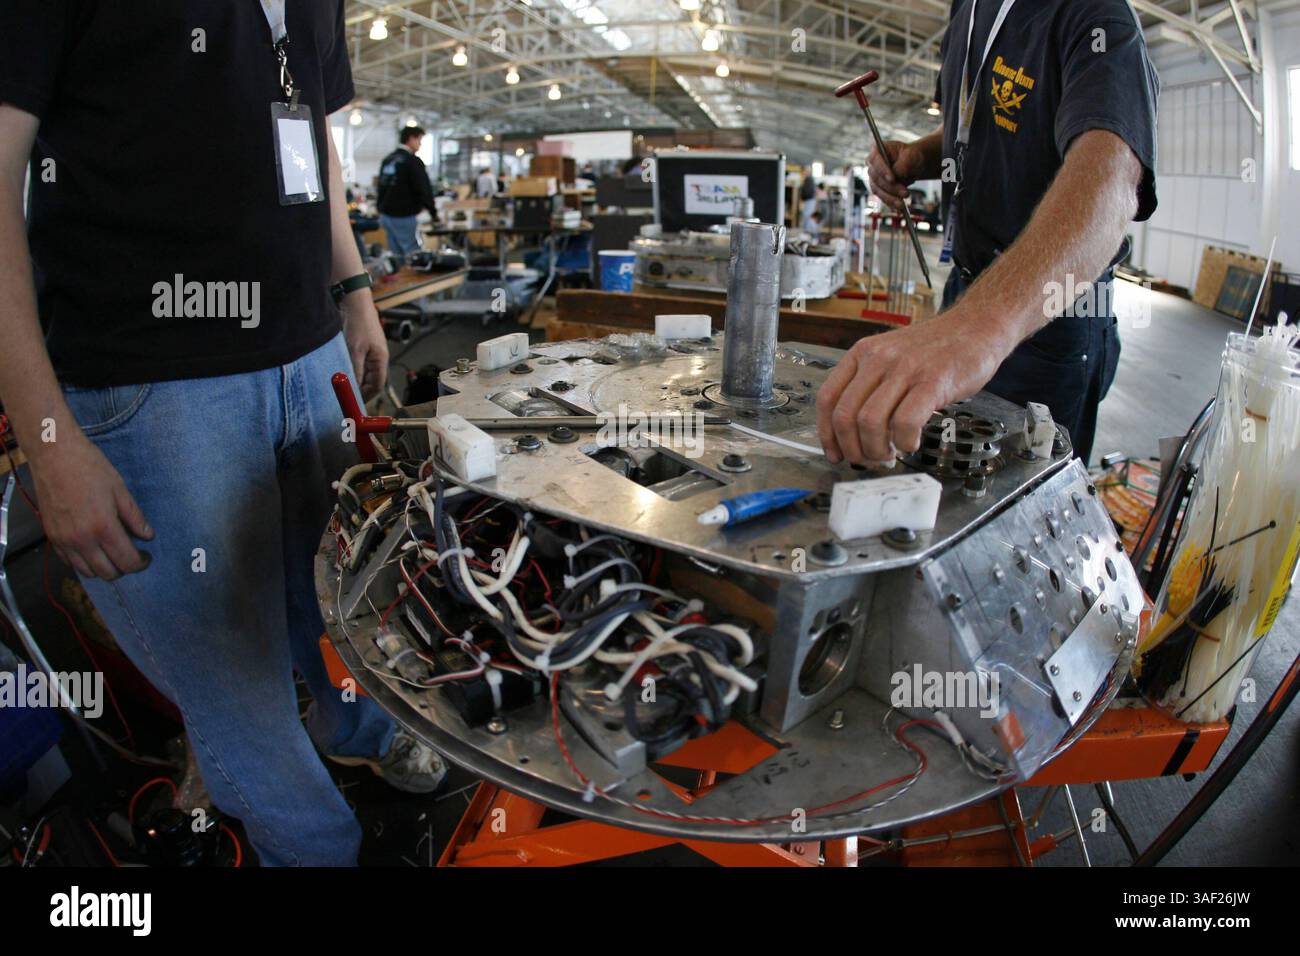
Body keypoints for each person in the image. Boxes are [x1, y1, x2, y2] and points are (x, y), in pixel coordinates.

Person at [0, 0, 445, 867]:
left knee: (342, 606)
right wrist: (48, 439)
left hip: (309, 356)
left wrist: (352, 290)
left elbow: (308, 139)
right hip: (152, 387)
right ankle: (318, 851)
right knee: (239, 692)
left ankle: (359, 730)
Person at [817, 0, 1158, 468]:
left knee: (1019, 500)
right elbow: (978, 122)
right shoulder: (969, 9)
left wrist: (977, 328)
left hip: (1048, 313)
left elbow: (1111, 179)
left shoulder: (1094, 15)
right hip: (969, 288)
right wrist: (919, 156)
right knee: (945, 472)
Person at [377, 125, 436, 258]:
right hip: (404, 214)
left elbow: (380, 186)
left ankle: (400, 278)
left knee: (396, 253)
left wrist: (380, 208)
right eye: (419, 140)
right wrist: (433, 211)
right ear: (411, 139)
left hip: (386, 214)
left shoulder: (388, 160)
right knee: (412, 253)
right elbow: (423, 188)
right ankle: (414, 279)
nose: (420, 144)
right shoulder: (412, 161)